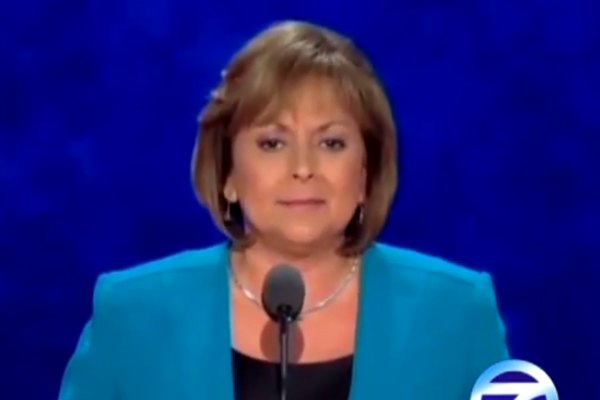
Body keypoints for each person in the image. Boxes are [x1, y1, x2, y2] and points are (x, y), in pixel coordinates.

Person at [58, 20, 509, 400]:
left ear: (365, 173)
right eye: (272, 143)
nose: (303, 168)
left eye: (331, 143)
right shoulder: (132, 314)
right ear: (229, 173)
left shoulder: (458, 313)